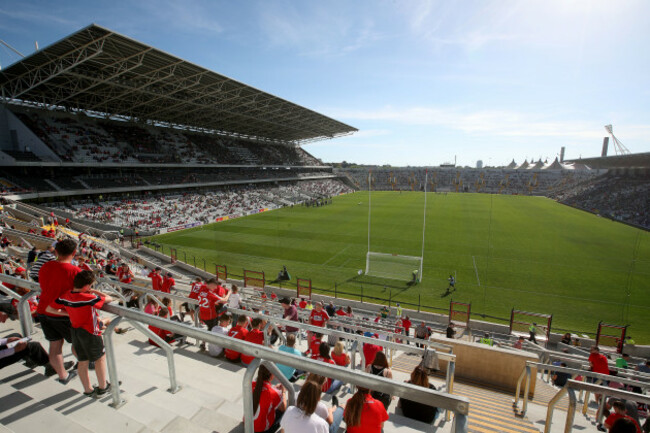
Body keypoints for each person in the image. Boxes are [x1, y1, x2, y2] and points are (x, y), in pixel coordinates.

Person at [53, 270, 114, 397]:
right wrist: (96, 292)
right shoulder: (89, 298)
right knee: (100, 358)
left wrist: (68, 313)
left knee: (82, 361)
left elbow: (50, 308)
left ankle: (88, 389)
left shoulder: (66, 295)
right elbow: (109, 298)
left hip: (75, 331)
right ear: (87, 286)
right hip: (90, 332)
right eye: (91, 285)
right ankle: (103, 387)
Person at [37, 239, 80, 384]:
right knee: (78, 343)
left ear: (56, 252)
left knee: (54, 345)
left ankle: (63, 376)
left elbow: (43, 285)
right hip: (62, 313)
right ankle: (85, 364)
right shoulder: (76, 272)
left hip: (43, 310)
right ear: (74, 253)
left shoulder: (46, 266)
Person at [251, 365, 286, 433]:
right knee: (283, 413)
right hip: (262, 430)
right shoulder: (275, 393)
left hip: (248, 424)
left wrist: (274, 389)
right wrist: (283, 392)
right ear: (272, 375)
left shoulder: (250, 384)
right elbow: (283, 408)